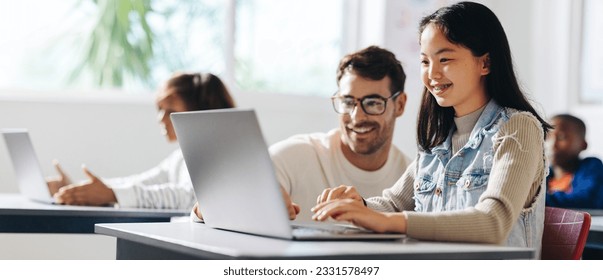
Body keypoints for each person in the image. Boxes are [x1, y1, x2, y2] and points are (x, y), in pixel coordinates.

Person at [312, 1, 552, 253]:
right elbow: (394, 205)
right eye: (425, 62)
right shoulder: (438, 140)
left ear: (485, 63)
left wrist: (389, 222)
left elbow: (493, 222)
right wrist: (358, 205)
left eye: (445, 58)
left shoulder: (518, 129)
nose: (432, 73)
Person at [46, 72, 236, 209]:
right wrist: (77, 189)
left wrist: (112, 195)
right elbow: (142, 182)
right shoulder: (179, 159)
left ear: (200, 110)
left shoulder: (221, 157)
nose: (161, 118)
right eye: (159, 109)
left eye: (170, 110)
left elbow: (190, 198)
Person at [269, 46, 411, 222]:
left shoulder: (412, 178)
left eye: (373, 103)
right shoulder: (295, 156)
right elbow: (249, 178)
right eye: (348, 102)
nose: (357, 117)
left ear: (400, 105)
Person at [545, 114, 603, 209]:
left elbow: (586, 200)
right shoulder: (542, 175)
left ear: (583, 145)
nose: (552, 144)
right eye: (548, 137)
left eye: (561, 137)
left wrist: (538, 200)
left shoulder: (591, 167)